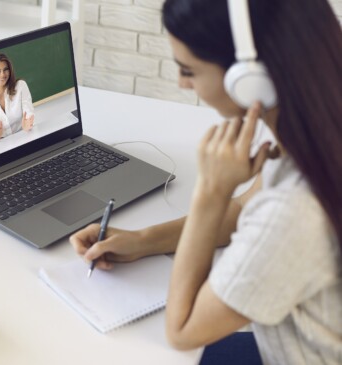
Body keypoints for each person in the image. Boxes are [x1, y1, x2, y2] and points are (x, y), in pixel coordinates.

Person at [70, 0, 342, 363]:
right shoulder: (320, 133)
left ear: (249, 79)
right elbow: (247, 209)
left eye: (189, 70)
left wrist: (210, 193)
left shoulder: (294, 211)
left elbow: (183, 330)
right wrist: (144, 240)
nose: (182, 83)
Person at [0, 53, 35, 145]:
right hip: (2, 147)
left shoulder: (20, 86)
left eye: (5, 70)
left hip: (25, 139)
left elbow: (28, 112)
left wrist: (27, 124)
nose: (3, 74)